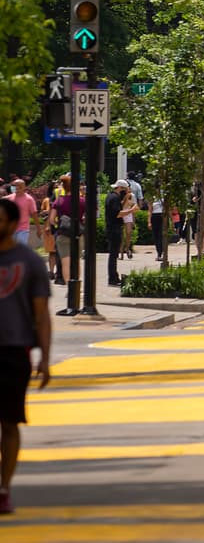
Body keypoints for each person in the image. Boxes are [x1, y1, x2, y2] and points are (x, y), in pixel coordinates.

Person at [0, 197, 53, 515]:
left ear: (10, 223)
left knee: (9, 422)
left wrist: (44, 358)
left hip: (13, 351)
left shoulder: (29, 262)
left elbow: (41, 314)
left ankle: (4, 488)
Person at [105, 180, 128, 286]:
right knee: (113, 255)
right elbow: (118, 213)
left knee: (113, 254)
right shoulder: (114, 198)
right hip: (114, 229)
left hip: (112, 228)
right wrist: (132, 210)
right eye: (125, 190)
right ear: (120, 188)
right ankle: (112, 278)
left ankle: (114, 276)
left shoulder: (112, 197)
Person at [6, 182, 36, 250]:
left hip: (23, 229)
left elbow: (34, 214)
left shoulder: (29, 199)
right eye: (15, 186)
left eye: (19, 186)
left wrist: (38, 228)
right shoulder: (9, 198)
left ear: (24, 187)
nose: (17, 187)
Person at [120, 185, 138, 259]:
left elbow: (134, 207)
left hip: (129, 214)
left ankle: (127, 248)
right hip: (121, 214)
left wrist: (133, 220)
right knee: (121, 234)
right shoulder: (120, 195)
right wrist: (126, 198)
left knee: (128, 233)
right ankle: (121, 253)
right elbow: (121, 205)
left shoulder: (132, 196)